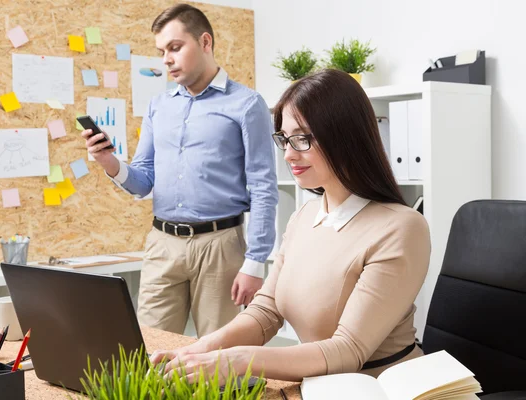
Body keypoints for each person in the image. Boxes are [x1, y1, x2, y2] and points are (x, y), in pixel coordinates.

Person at [150, 69, 431, 382]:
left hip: (379, 388)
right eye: (285, 138)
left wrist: (236, 360)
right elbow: (266, 312)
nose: (288, 154)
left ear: (344, 136)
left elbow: (347, 351)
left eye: (302, 139)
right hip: (318, 385)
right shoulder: (304, 217)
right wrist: (199, 350)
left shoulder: (402, 227)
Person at [82, 4, 277, 337]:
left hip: (221, 247)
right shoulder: (159, 106)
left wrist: (256, 262)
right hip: (162, 244)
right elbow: (143, 182)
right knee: (147, 350)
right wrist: (108, 163)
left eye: (175, 47)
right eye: (162, 51)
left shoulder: (246, 104)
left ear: (205, 42)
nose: (166, 60)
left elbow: (263, 187)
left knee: (220, 362)